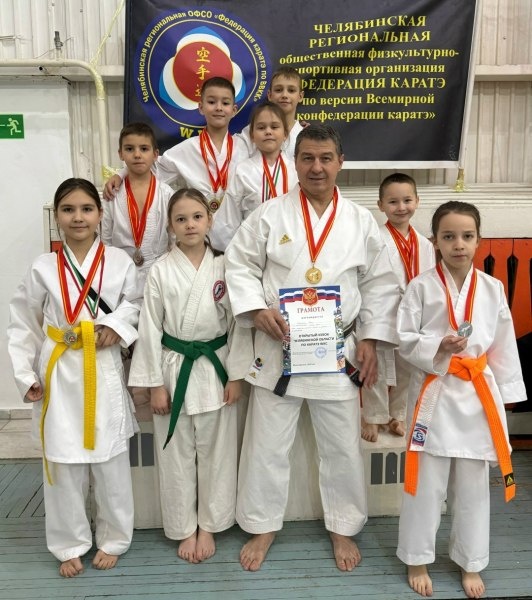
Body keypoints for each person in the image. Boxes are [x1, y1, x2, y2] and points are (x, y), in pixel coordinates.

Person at [224, 124, 400, 572]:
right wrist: (255, 309)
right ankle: (262, 524)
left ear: (340, 162)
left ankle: (343, 525)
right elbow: (239, 265)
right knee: (266, 443)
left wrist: (371, 339)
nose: (316, 167)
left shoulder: (360, 220)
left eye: (325, 158)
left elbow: (381, 284)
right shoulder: (269, 215)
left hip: (337, 349)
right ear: (295, 162)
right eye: (307, 158)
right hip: (279, 345)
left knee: (341, 445)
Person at [7, 178, 141, 578]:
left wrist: (116, 325)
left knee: (111, 459)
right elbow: (22, 322)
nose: (78, 217)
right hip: (59, 368)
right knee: (62, 461)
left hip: (102, 364)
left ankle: (115, 538)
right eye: (68, 210)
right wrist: (25, 374)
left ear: (100, 214)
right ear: (57, 217)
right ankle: (69, 543)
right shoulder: (43, 267)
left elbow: (136, 303)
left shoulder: (119, 261)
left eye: (86, 209)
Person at [396, 201, 526, 599]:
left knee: (472, 487)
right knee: (425, 484)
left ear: (478, 240)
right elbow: (404, 339)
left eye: (467, 236)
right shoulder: (420, 287)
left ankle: (471, 561)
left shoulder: (492, 288)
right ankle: (417, 557)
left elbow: (503, 343)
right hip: (434, 392)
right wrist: (438, 346)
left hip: (476, 394)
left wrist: (508, 394)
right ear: (434, 241)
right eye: (449, 236)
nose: (459, 244)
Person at [128, 188, 252, 564]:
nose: (190, 225)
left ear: (210, 220)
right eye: (181, 219)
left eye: (197, 217)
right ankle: (183, 526)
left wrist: (236, 375)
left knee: (218, 453)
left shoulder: (225, 266)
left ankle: (210, 525)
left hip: (216, 366)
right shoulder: (160, 271)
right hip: (173, 368)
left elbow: (238, 325)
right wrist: (154, 385)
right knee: (175, 455)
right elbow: (150, 328)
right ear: (170, 226)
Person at [101, 122, 174, 421]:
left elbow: (172, 239)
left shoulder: (166, 192)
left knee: (155, 330)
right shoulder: (111, 195)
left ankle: (153, 385)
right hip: (120, 271)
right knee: (122, 330)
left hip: (157, 268)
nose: (137, 155)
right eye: (129, 149)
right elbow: (106, 239)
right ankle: (127, 394)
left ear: (156, 154)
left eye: (144, 149)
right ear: (120, 153)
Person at [361, 173, 435, 442]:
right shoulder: (374, 239)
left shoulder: (425, 244)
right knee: (376, 367)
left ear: (417, 201)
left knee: (409, 367)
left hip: (414, 316)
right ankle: (373, 416)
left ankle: (398, 415)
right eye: (393, 202)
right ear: (380, 205)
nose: (401, 207)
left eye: (407, 200)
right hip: (383, 312)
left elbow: (430, 281)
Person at [103, 77, 248, 213]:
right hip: (197, 224)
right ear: (201, 107)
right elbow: (151, 167)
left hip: (237, 225)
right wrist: (121, 174)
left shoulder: (244, 146)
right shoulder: (187, 149)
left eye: (225, 103)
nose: (218, 108)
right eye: (211, 102)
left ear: (234, 110)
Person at [210, 101, 298, 251]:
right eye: (261, 127)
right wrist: (231, 252)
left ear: (285, 134)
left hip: (290, 245)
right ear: (252, 136)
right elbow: (230, 216)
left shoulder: (296, 170)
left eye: (274, 127)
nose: (268, 131)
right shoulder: (243, 171)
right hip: (251, 247)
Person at [236, 66, 304, 158]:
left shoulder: (305, 135)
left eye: (291, 90)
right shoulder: (250, 132)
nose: (284, 95)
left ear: (300, 96)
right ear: (269, 95)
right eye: (278, 90)